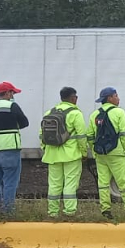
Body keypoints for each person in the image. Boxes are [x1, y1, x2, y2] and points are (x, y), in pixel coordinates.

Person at [0, 81, 29, 216]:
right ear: (7, 93)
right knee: (10, 181)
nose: (13, 95)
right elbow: (24, 122)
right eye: (12, 93)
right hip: (10, 148)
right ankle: (8, 211)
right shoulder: (11, 106)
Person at [41, 87, 88, 218]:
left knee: (54, 184)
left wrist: (45, 149)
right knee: (70, 184)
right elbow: (81, 136)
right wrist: (84, 152)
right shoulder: (75, 113)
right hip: (71, 155)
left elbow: (42, 135)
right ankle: (69, 212)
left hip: (52, 155)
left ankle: (53, 212)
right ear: (73, 98)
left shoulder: (49, 112)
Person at [90, 86, 125, 219]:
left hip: (100, 154)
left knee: (103, 183)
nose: (118, 98)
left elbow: (90, 136)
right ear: (109, 98)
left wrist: (94, 152)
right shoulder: (119, 113)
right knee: (123, 182)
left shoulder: (94, 114)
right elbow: (124, 134)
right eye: (116, 95)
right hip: (117, 153)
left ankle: (105, 209)